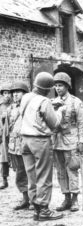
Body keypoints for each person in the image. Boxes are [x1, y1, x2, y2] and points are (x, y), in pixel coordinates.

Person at [20, 72, 65, 221]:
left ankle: (36, 208)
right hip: (39, 141)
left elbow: (34, 111)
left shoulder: (25, 97)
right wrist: (59, 111)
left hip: (25, 140)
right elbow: (55, 125)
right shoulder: (44, 101)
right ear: (47, 88)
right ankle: (44, 210)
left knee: (31, 175)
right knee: (44, 176)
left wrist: (50, 105)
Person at [52, 72, 83, 212]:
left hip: (71, 140)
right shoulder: (53, 102)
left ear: (67, 86)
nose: (58, 88)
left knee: (72, 169)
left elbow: (82, 123)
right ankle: (66, 197)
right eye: (56, 86)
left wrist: (82, 141)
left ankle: (74, 199)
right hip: (57, 141)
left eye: (60, 85)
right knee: (61, 171)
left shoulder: (75, 102)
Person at [8, 81, 31, 210]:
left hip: (26, 144)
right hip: (14, 145)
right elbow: (8, 128)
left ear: (25, 93)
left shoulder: (29, 107)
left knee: (31, 172)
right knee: (20, 174)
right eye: (13, 92)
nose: (15, 95)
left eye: (18, 92)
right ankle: (25, 198)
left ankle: (35, 200)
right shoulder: (10, 108)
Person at [0, 84, 12, 189]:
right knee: (4, 158)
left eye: (9, 93)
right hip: (3, 134)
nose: (7, 95)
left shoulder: (15, 105)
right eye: (5, 93)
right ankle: (4, 180)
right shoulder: (1, 106)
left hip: (14, 134)